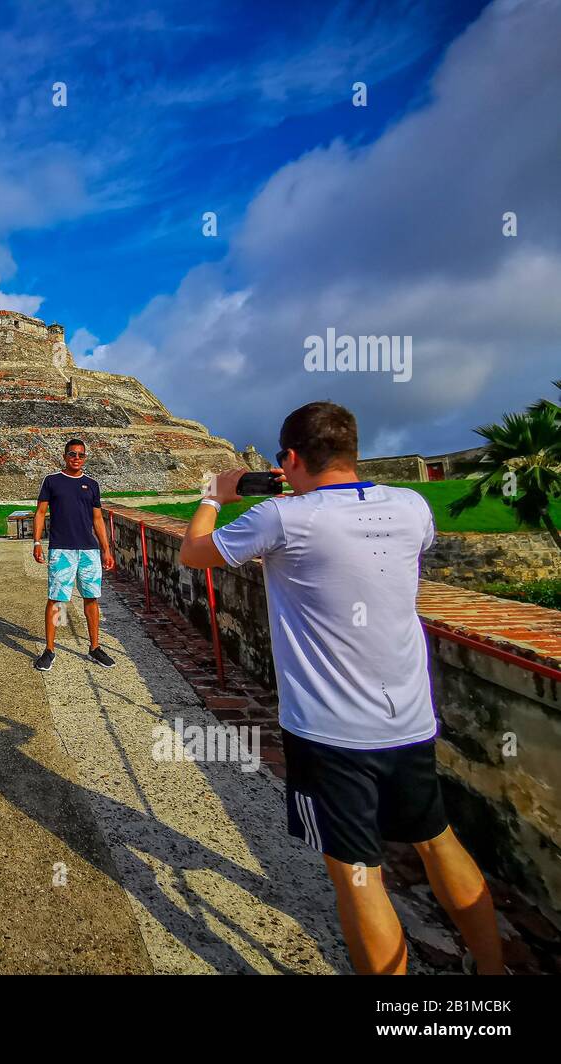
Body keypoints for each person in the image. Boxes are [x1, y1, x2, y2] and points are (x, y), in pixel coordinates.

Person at [178, 401, 504, 976]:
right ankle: (493, 976)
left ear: (291, 458)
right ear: (352, 452)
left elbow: (194, 552)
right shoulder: (412, 506)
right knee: (438, 839)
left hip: (330, 733)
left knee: (359, 876)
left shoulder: (284, 519)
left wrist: (215, 495)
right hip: (408, 718)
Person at [32, 438, 117, 672]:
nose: (76, 458)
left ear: (85, 458)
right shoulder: (52, 481)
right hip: (62, 549)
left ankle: (95, 647)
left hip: (88, 550)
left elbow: (98, 519)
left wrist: (106, 549)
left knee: (91, 598)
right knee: (58, 600)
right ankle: (50, 649)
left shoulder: (92, 484)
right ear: (65, 456)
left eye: (80, 455)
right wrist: (37, 542)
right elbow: (40, 513)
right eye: (72, 454)